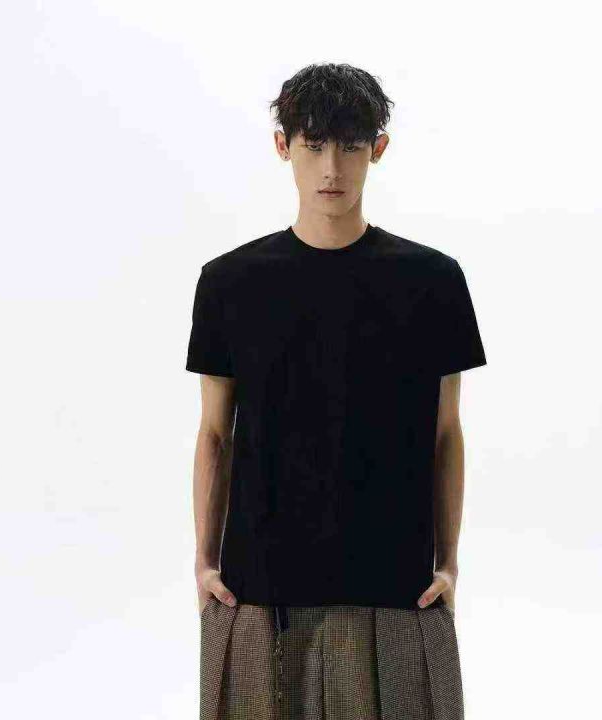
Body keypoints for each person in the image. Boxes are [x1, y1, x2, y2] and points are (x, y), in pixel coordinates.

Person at [186, 62, 487, 720]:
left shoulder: (432, 281)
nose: (331, 169)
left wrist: (450, 565)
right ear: (283, 145)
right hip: (259, 592)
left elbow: (446, 433)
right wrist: (204, 563)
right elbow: (214, 433)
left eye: (350, 146)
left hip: (398, 592)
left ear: (378, 149)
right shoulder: (230, 283)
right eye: (314, 144)